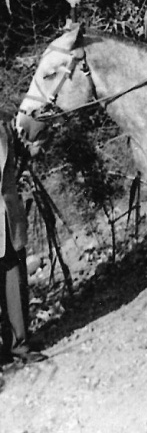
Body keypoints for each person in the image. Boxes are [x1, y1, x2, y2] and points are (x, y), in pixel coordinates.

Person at [0, 119, 44, 366]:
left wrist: (33, 149)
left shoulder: (4, 124)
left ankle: (19, 345)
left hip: (8, 217)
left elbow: (18, 159)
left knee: (15, 284)